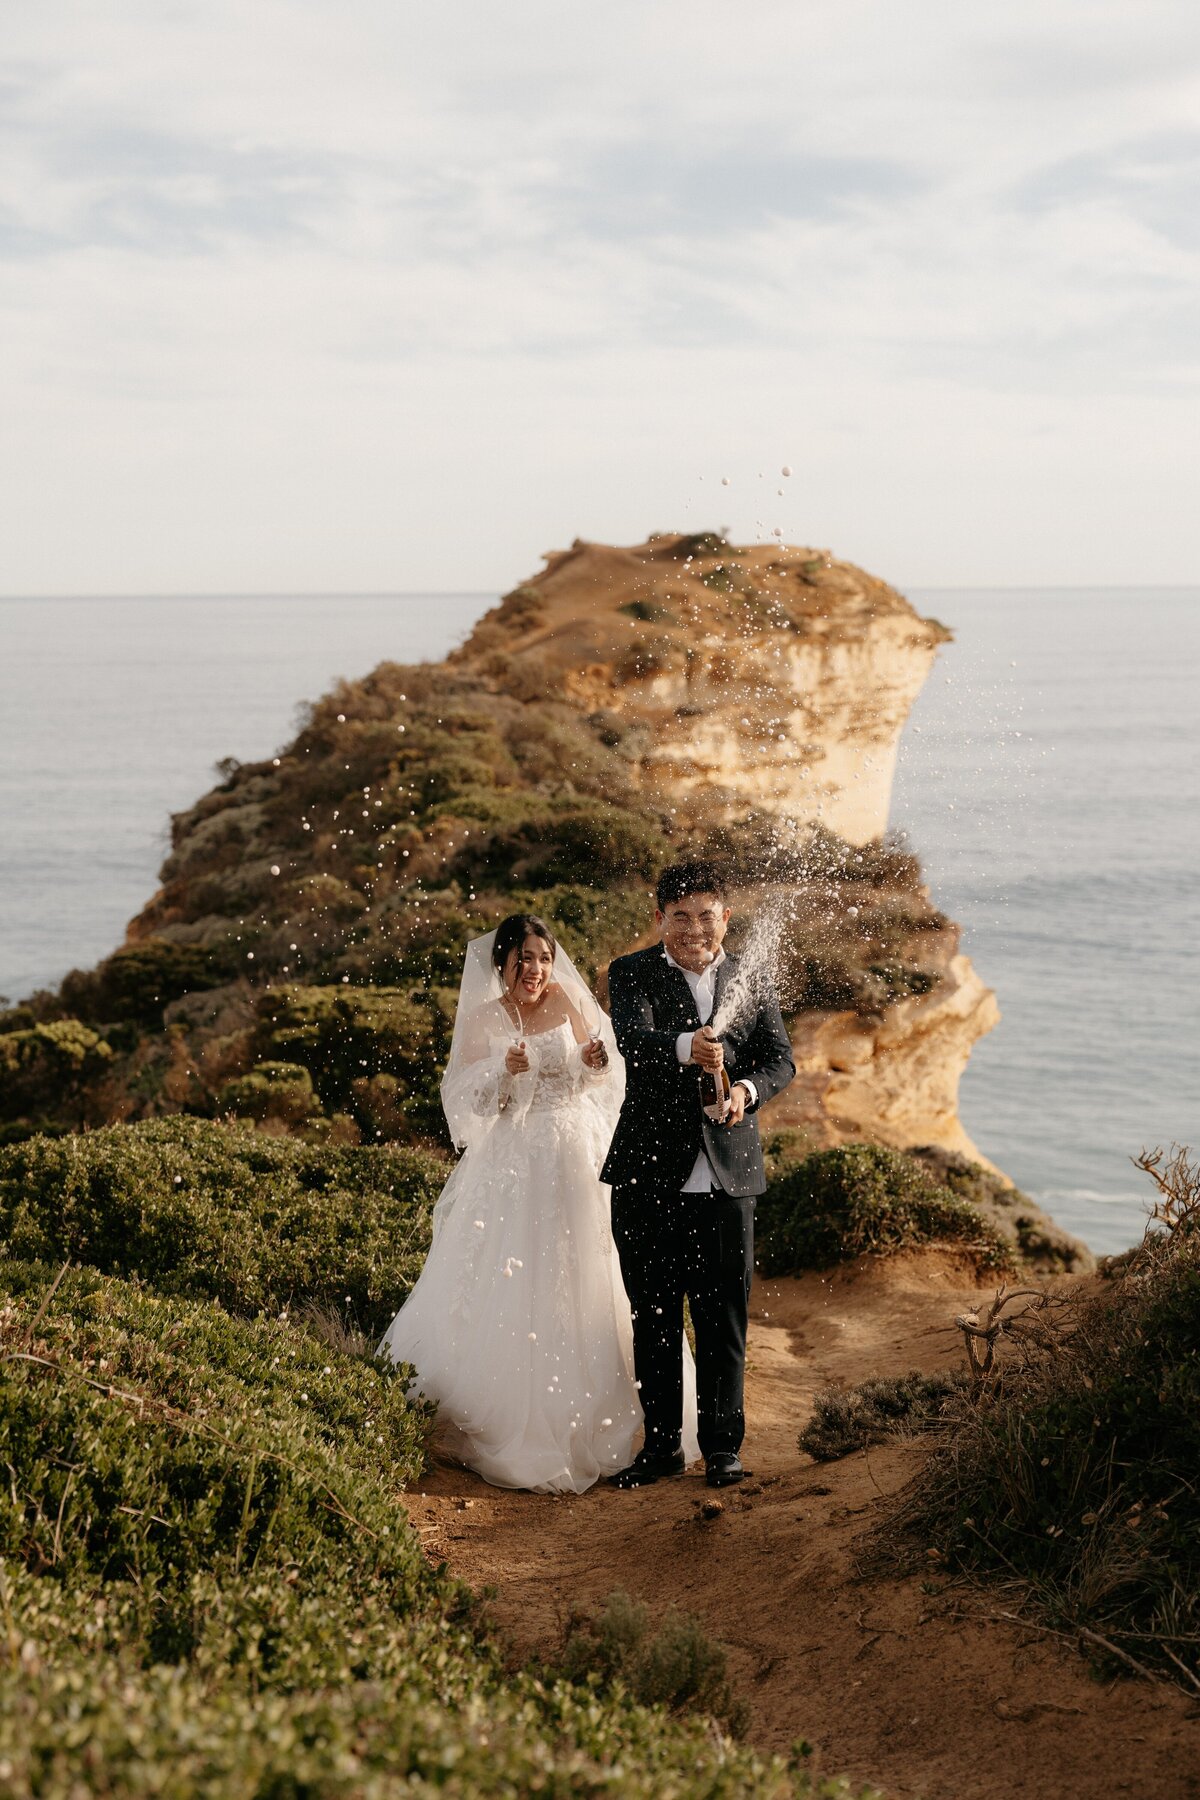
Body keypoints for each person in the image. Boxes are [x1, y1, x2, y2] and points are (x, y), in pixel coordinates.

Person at [379, 914, 697, 1493]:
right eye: (524, 959)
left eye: (544, 959)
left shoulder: (568, 1000)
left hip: (577, 1156)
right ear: (503, 962)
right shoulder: (484, 1018)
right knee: (516, 1274)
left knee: (589, 1272)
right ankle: (517, 1413)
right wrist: (503, 1073)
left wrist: (593, 1062)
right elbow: (464, 1101)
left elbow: (602, 1071)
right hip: (514, 1163)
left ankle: (624, 1418)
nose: (535, 970)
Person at [602, 861, 795, 1490]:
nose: (693, 929)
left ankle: (722, 1450)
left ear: (725, 918)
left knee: (723, 1321)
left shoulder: (751, 975)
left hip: (728, 1180)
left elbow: (780, 1061)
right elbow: (633, 1042)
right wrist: (688, 1047)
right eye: (679, 916)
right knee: (653, 1318)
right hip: (646, 1179)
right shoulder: (631, 972)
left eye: (706, 915)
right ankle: (661, 1448)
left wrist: (744, 1090)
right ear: (659, 918)